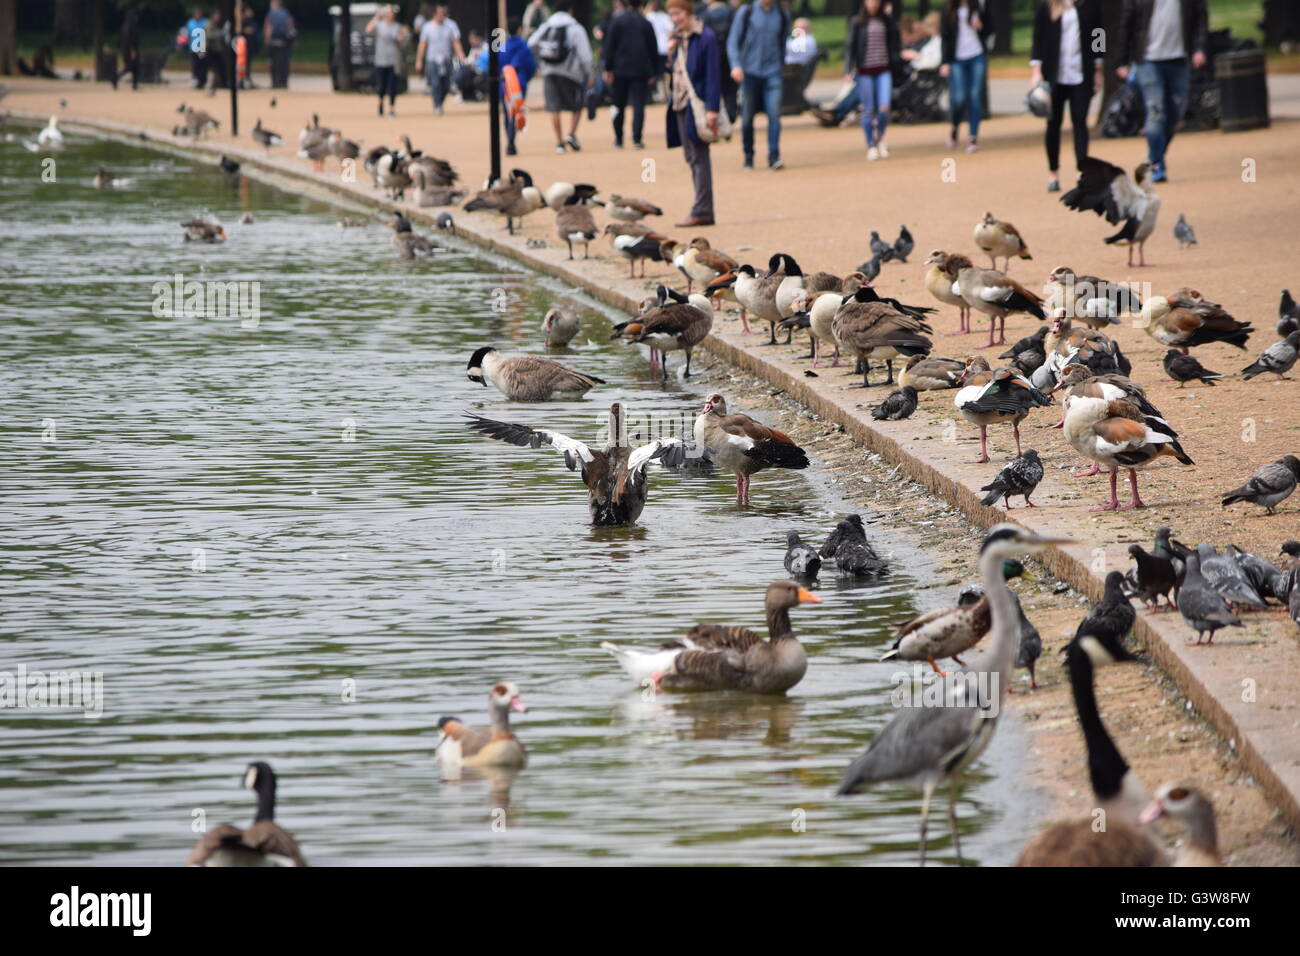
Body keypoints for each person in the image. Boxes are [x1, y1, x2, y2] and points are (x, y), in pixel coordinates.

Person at [1117, 0, 1207, 183]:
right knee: (1156, 112)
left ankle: (1154, 153)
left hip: (1179, 59)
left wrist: (1199, 48)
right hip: (1147, 60)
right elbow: (1126, 23)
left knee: (1175, 113)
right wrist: (1122, 61)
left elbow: (1200, 18)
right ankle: (1157, 165)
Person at [1031, 0, 1104, 192]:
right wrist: (1036, 71)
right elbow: (1038, 37)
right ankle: (1053, 173)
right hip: (1054, 75)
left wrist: (1098, 69)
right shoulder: (1047, 6)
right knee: (1053, 124)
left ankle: (1082, 172)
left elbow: (1099, 34)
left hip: (1081, 74)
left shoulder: (1089, 5)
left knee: (1080, 122)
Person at [665, 0, 721, 227]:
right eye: (672, 15)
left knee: (699, 156)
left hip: (696, 105)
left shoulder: (705, 37)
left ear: (688, 12)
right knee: (690, 157)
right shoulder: (680, 39)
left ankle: (703, 210)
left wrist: (712, 109)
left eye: (678, 14)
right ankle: (701, 207)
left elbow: (712, 75)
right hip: (679, 103)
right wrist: (670, 54)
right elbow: (673, 72)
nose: (675, 19)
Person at [728, 0, 789, 170]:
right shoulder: (745, 12)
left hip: (773, 72)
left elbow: (783, 41)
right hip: (749, 72)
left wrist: (781, 64)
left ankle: (774, 156)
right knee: (747, 118)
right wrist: (736, 65)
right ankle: (748, 154)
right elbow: (733, 42)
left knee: (774, 115)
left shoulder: (782, 15)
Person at [528, 0, 595, 153]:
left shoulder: (547, 26)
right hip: (572, 72)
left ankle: (559, 142)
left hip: (549, 71)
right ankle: (571, 133)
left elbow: (531, 43)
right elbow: (585, 55)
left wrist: (540, 63)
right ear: (570, 10)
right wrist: (589, 73)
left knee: (553, 107)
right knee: (577, 105)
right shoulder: (575, 28)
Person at [844, 0, 901, 161]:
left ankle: (880, 138)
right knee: (868, 109)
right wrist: (848, 69)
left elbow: (895, 42)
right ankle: (871, 145)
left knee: (884, 108)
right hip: (865, 71)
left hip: (883, 69)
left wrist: (890, 17)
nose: (873, 4)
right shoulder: (857, 21)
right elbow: (851, 47)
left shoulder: (886, 20)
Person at [604, 0, 660, 148]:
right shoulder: (645, 23)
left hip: (620, 69)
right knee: (639, 105)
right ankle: (637, 138)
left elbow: (610, 46)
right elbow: (653, 48)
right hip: (640, 69)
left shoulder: (617, 21)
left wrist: (608, 68)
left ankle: (618, 138)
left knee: (618, 104)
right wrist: (654, 70)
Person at [940, 0, 993, 153]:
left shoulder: (979, 6)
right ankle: (955, 128)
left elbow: (990, 29)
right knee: (959, 98)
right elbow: (945, 36)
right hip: (956, 58)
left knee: (975, 95)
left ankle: (973, 137)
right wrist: (945, 62)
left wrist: (981, 27)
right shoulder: (948, 8)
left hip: (977, 55)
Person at [478, 17, 536, 155]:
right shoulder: (523, 46)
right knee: (515, 112)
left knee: (506, 113)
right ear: (520, 29)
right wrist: (525, 79)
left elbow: (493, 61)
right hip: (519, 85)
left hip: (503, 85)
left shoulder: (502, 45)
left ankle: (509, 140)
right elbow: (531, 66)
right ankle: (511, 140)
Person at [416, 3, 465, 115]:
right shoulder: (428, 27)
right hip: (432, 59)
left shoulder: (451, 25)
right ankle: (437, 105)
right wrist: (419, 60)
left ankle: (440, 102)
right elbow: (422, 44)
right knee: (435, 83)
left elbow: (456, 42)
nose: (441, 15)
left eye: (443, 13)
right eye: (439, 13)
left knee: (446, 85)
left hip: (446, 59)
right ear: (434, 14)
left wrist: (461, 55)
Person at [368, 4, 409, 117]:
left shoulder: (397, 26)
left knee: (392, 86)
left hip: (393, 60)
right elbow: (368, 29)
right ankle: (381, 102)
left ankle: (391, 108)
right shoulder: (379, 25)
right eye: (389, 12)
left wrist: (402, 37)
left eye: (392, 12)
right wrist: (377, 17)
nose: (391, 14)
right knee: (381, 85)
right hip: (380, 60)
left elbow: (401, 39)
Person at [701, 0, 738, 120]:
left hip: (711, 58)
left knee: (714, 86)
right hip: (729, 57)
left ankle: (717, 115)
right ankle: (730, 114)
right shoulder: (731, 13)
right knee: (731, 87)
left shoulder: (703, 15)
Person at [264, 0, 296, 89]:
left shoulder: (271, 14)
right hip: (284, 42)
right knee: (283, 62)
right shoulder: (286, 13)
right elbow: (290, 26)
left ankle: (274, 82)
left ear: (275, 4)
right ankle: (283, 83)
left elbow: (268, 27)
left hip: (273, 41)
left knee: (273, 62)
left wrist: (267, 41)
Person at [183, 7, 209, 89]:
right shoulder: (190, 22)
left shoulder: (205, 22)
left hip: (202, 47)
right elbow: (187, 34)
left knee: (203, 65)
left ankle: (202, 81)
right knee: (195, 65)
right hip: (193, 47)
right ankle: (196, 79)